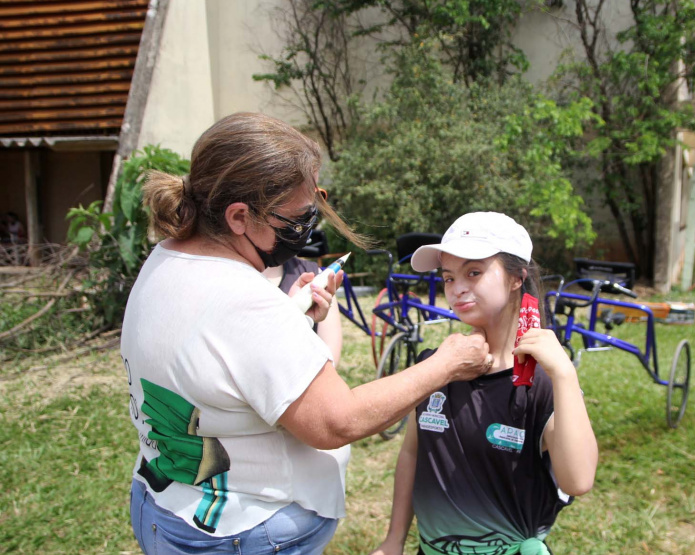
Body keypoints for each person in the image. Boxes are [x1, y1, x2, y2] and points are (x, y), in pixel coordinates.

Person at [123, 112, 493, 555]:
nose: (306, 228)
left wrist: (287, 315)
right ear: (239, 216)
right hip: (240, 530)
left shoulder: (166, 259)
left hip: (164, 503)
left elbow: (213, 353)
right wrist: (444, 364)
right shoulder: (246, 302)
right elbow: (337, 421)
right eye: (298, 216)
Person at [372, 212, 598, 555]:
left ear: (516, 277)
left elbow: (578, 480)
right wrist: (394, 541)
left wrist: (565, 375)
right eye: (448, 277)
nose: (457, 288)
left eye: (473, 272)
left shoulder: (543, 381)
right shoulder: (435, 366)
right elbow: (412, 453)